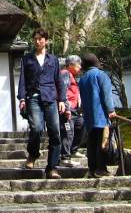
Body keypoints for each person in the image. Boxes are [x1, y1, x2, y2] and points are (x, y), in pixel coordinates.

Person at [17, 28, 67, 179]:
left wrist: (62, 100)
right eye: (35, 39)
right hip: (33, 97)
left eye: (40, 39)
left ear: (46, 40)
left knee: (55, 133)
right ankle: (33, 154)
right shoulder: (27, 59)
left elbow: (59, 81)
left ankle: (52, 167)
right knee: (37, 128)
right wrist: (22, 98)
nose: (38, 41)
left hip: (50, 98)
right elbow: (22, 80)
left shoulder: (53, 59)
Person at [78, 54, 117, 178]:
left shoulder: (83, 78)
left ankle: (92, 169)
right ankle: (101, 169)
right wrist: (110, 110)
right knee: (102, 141)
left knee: (92, 142)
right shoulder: (101, 75)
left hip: (89, 116)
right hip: (101, 114)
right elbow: (106, 95)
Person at [59, 55, 82, 167]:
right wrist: (67, 109)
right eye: (78, 65)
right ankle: (65, 157)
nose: (80, 67)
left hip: (75, 110)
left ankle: (74, 150)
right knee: (68, 132)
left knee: (81, 124)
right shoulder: (65, 74)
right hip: (67, 110)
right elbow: (63, 92)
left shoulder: (71, 75)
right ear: (71, 65)